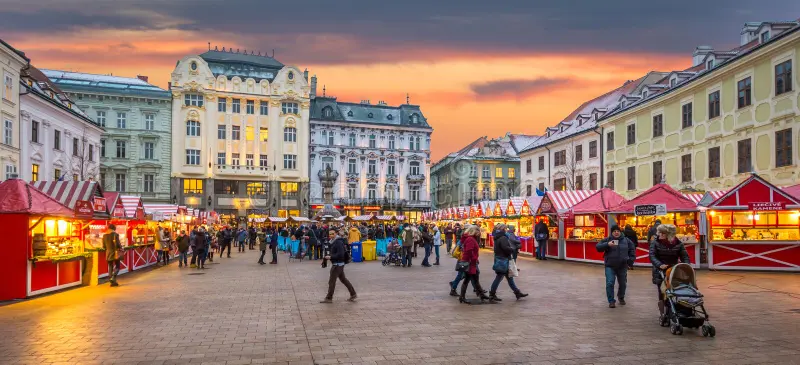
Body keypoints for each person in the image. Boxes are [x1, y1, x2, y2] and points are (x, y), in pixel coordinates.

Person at [649, 224, 690, 315]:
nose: (660, 234)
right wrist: (660, 265)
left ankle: (674, 309)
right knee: (662, 292)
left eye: (662, 233)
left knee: (676, 290)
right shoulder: (655, 242)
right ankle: (663, 313)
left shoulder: (678, 243)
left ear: (669, 234)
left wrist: (686, 266)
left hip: (674, 269)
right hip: (660, 270)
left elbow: (684, 256)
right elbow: (652, 256)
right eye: (659, 232)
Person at [596, 225, 636, 308]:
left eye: (618, 231)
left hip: (622, 266)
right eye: (614, 231)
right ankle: (611, 301)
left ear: (620, 232)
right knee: (610, 283)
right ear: (612, 232)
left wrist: (630, 262)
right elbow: (598, 247)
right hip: (610, 266)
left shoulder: (626, 240)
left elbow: (632, 250)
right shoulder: (608, 240)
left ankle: (621, 297)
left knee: (623, 284)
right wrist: (607, 244)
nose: (616, 232)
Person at [489, 224, 528, 302]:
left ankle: (517, 292)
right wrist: (512, 249)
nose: (506, 230)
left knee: (509, 278)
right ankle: (492, 294)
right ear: (503, 229)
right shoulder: (503, 237)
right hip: (503, 260)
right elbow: (505, 248)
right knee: (499, 277)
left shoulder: (497, 237)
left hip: (500, 258)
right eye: (505, 229)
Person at [320, 229, 357, 303]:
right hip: (338, 264)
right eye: (330, 234)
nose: (331, 235)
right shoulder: (332, 242)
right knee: (343, 279)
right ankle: (353, 294)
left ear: (336, 233)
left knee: (332, 281)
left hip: (337, 264)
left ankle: (329, 298)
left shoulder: (338, 242)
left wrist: (331, 257)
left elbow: (340, 254)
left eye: (332, 234)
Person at [459, 225, 490, 304]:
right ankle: (462, 297)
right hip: (470, 263)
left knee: (475, 278)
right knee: (467, 279)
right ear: (474, 231)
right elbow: (469, 251)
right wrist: (474, 259)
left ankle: (481, 294)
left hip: (472, 262)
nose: (479, 233)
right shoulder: (470, 239)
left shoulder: (471, 238)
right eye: (478, 231)